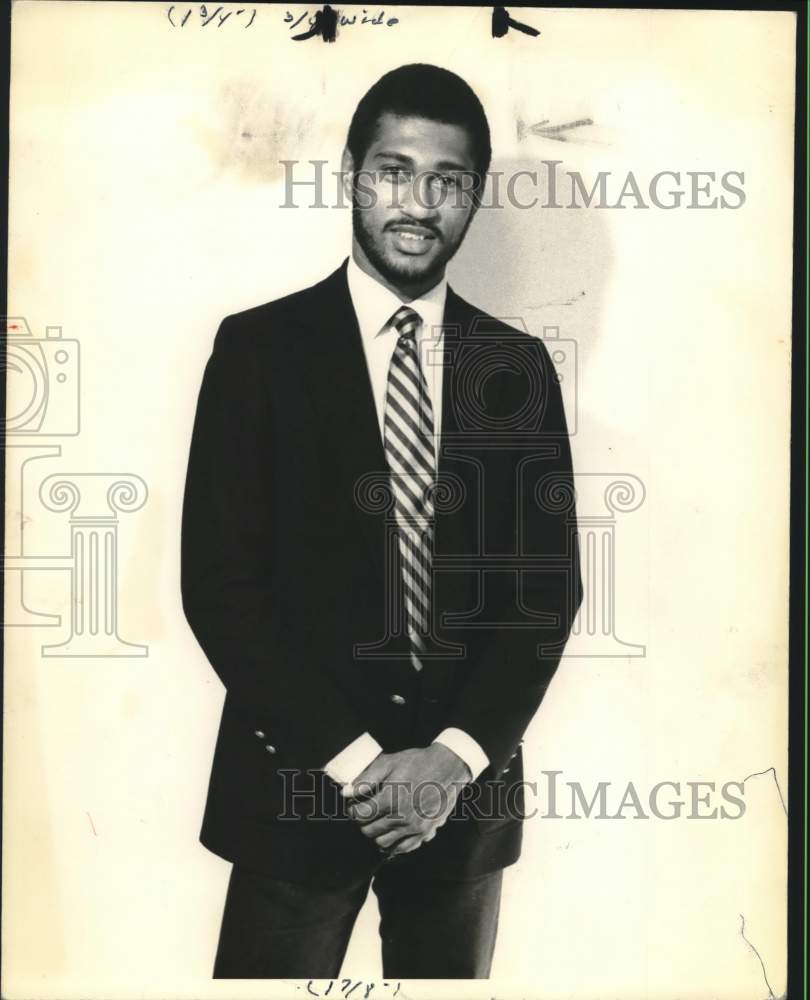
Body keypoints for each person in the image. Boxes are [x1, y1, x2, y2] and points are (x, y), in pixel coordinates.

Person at [181, 62, 582, 980]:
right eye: (394, 171)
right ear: (352, 174)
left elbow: (545, 590)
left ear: (473, 195)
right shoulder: (256, 351)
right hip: (294, 795)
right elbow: (220, 586)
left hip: (462, 807)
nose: (418, 202)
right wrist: (360, 765)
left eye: (447, 180)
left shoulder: (516, 367)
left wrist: (451, 761)